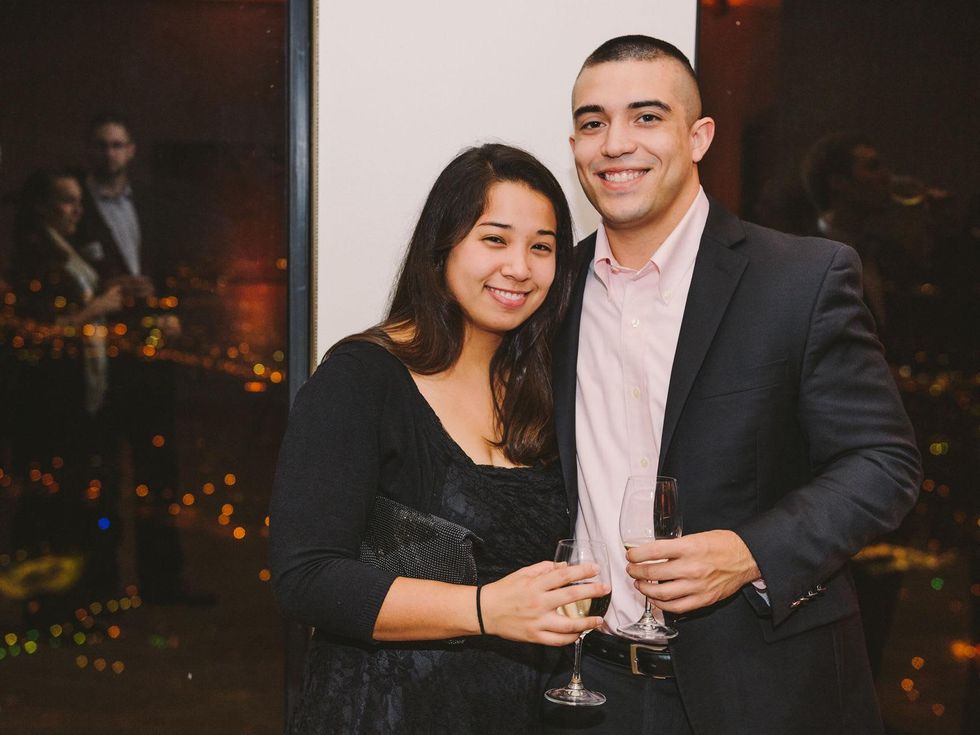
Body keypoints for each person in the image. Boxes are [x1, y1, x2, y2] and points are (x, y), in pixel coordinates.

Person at [546, 36, 921, 734]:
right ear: (574, 146)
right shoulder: (549, 294)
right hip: (591, 691)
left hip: (769, 691)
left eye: (647, 117)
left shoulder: (800, 280)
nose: (616, 143)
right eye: (594, 122)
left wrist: (750, 553)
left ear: (699, 137)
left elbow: (883, 463)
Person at [270, 143, 614, 734]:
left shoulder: (543, 389)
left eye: (541, 247)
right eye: (495, 239)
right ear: (442, 247)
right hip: (383, 712)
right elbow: (306, 578)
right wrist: (484, 609)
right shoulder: (362, 378)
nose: (519, 267)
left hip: (519, 712)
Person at [74, 113, 202, 604]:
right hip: (101, 365)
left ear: (130, 151)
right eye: (101, 145)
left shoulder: (150, 207)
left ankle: (163, 582)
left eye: (117, 145)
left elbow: (172, 268)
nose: (109, 153)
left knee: (158, 476)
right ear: (88, 150)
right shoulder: (74, 208)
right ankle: (101, 585)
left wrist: (167, 308)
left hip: (150, 362)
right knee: (101, 477)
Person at [8, 169, 124, 619]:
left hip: (78, 400)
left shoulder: (67, 250)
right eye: (66, 201)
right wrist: (97, 307)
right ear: (42, 207)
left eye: (78, 201)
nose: (76, 210)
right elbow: (38, 331)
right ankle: (47, 605)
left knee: (70, 503)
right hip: (49, 405)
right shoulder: (33, 256)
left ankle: (69, 599)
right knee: (49, 506)